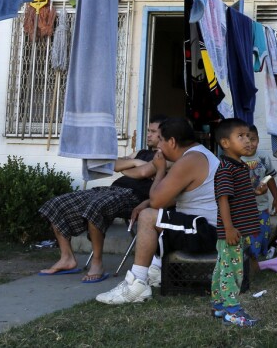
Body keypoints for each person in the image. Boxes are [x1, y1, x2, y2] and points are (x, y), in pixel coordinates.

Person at [96, 116, 220, 305]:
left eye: (160, 139)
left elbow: (157, 202)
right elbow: (170, 199)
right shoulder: (199, 154)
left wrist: (160, 169)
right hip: (200, 227)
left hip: (205, 232)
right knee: (152, 213)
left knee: (148, 217)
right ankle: (154, 271)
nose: (158, 146)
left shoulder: (190, 160)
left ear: (171, 141)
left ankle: (136, 285)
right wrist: (145, 202)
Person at [37, 116, 163, 283]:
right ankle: (66, 258)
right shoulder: (140, 153)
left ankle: (97, 263)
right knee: (57, 204)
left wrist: (130, 166)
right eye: (148, 131)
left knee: (96, 206)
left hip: (133, 196)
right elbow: (113, 165)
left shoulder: (166, 158)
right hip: (111, 189)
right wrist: (135, 161)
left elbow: (143, 173)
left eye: (153, 132)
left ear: (164, 135)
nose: (148, 135)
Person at [210, 118, 262, 326]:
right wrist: (229, 228)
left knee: (222, 267)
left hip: (236, 230)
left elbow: (239, 194)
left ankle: (219, 305)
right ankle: (232, 310)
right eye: (240, 136)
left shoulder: (239, 166)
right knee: (232, 270)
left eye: (248, 136)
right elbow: (223, 199)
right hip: (232, 232)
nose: (247, 140)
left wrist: (257, 190)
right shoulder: (225, 169)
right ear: (225, 143)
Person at [242, 124, 277, 267]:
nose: (249, 144)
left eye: (253, 139)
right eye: (245, 140)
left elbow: (269, 178)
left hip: (262, 206)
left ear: (258, 139)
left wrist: (276, 197)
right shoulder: (237, 160)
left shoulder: (263, 157)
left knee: (263, 234)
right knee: (248, 237)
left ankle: (259, 260)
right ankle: (250, 263)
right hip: (244, 209)